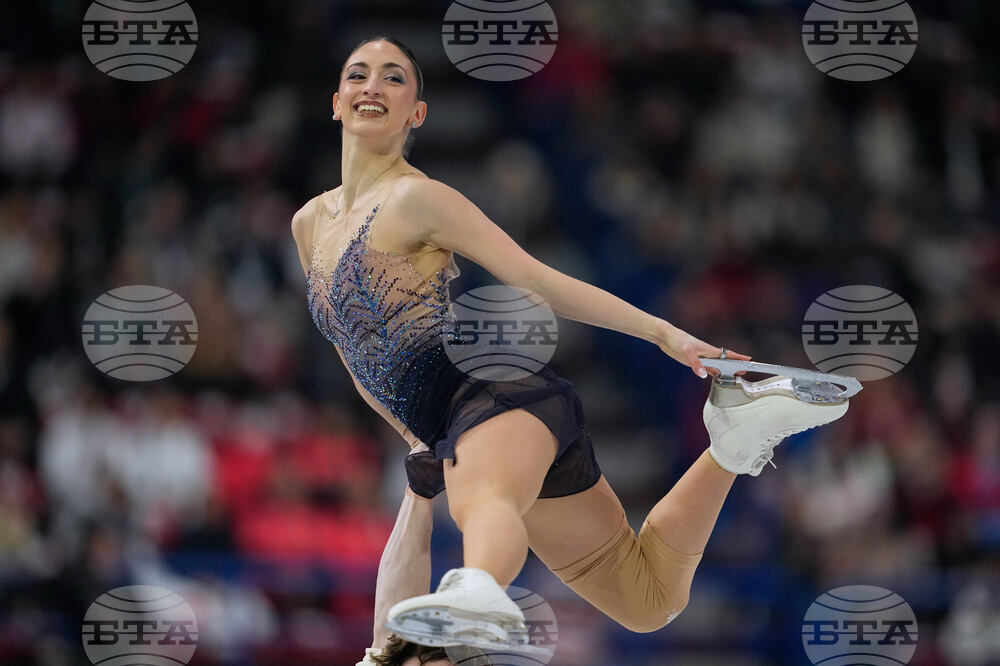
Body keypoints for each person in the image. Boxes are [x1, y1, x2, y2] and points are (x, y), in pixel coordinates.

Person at [292, 36, 849, 658]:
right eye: (358, 75)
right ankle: (735, 442)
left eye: (393, 78)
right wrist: (415, 437)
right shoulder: (309, 224)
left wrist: (665, 334)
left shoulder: (417, 199)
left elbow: (535, 279)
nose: (372, 86)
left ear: (416, 112)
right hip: (452, 425)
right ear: (336, 102)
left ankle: (479, 591)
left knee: (483, 502)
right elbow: (352, 347)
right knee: (647, 600)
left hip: (491, 396)